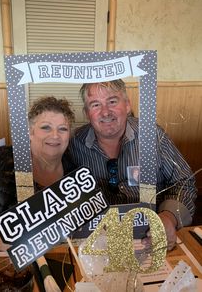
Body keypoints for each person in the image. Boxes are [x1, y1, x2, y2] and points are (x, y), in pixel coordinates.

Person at [68, 79, 197, 251]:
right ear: (86, 112)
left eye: (112, 101)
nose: (105, 112)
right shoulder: (74, 143)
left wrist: (169, 217)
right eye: (95, 104)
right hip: (97, 244)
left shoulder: (152, 135)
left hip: (151, 239)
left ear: (127, 105)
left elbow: (184, 182)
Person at [0, 96, 75, 251]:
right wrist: (18, 247)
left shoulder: (74, 169)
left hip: (62, 260)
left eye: (63, 129)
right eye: (46, 127)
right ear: (30, 132)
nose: (55, 135)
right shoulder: (5, 160)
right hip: (8, 264)